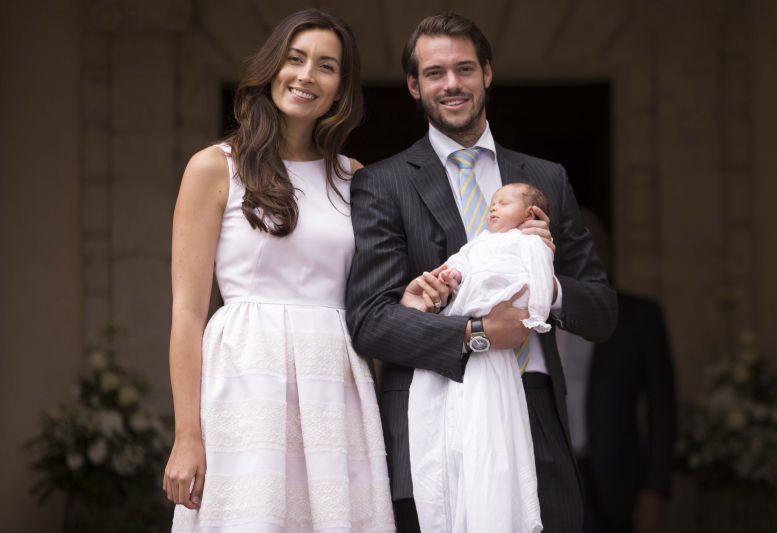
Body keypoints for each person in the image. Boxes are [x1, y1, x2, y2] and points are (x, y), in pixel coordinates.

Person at [345, 12, 617, 533]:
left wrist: (545, 288)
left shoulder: (545, 179)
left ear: (487, 73)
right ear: (414, 85)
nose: (452, 84)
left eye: (465, 69)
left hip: (533, 405)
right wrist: (479, 332)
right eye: (435, 73)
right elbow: (369, 320)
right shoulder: (381, 183)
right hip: (434, 405)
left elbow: (603, 312)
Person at [163, 9, 395, 532]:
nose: (307, 75)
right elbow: (188, 311)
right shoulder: (215, 166)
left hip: (335, 386)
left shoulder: (354, 177)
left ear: (340, 88)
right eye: (295, 59)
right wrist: (187, 434)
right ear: (272, 68)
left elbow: (373, 297)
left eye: (326, 66)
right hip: (246, 382)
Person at [407, 183, 553, 533]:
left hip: (501, 345)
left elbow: (541, 278)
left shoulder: (532, 243)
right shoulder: (479, 242)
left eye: (504, 203)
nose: (493, 208)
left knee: (492, 444)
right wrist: (449, 274)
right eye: (492, 203)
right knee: (450, 444)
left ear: (530, 213)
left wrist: (534, 315)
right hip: (456, 331)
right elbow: (458, 262)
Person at [557, 211, 676, 533]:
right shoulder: (529, 318)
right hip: (548, 479)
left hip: (614, 482)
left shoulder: (640, 317)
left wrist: (655, 490)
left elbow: (662, 410)